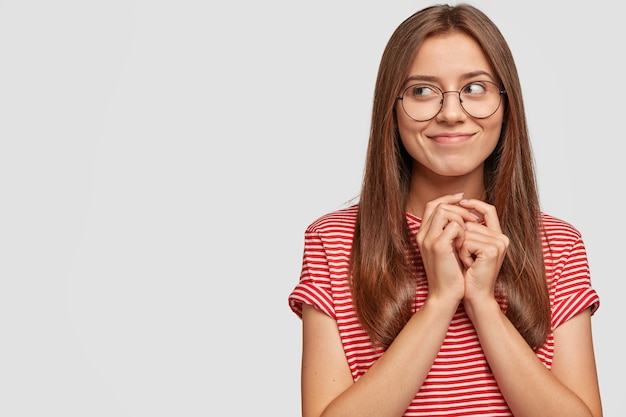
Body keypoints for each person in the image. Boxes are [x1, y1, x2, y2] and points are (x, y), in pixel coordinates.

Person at [287, 3, 603, 417]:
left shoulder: (557, 244)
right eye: (422, 91)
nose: (451, 114)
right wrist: (440, 301)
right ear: (393, 108)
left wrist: (483, 304)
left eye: (474, 88)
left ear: (506, 104)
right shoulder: (335, 241)